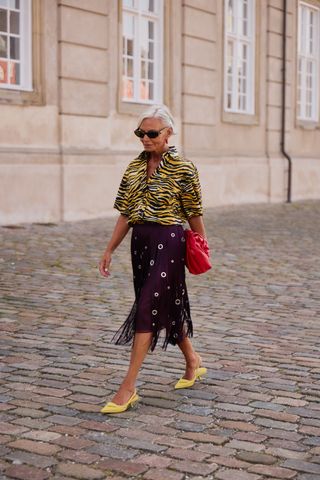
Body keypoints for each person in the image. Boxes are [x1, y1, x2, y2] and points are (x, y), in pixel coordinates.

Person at [99, 105, 208, 414]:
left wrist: (201, 245)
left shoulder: (184, 168)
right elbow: (125, 213)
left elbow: (194, 211)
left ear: (168, 134)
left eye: (151, 133)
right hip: (141, 243)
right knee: (168, 304)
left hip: (170, 241)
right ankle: (192, 360)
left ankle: (128, 387)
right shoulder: (133, 169)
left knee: (147, 305)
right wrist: (109, 249)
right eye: (141, 133)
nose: (145, 138)